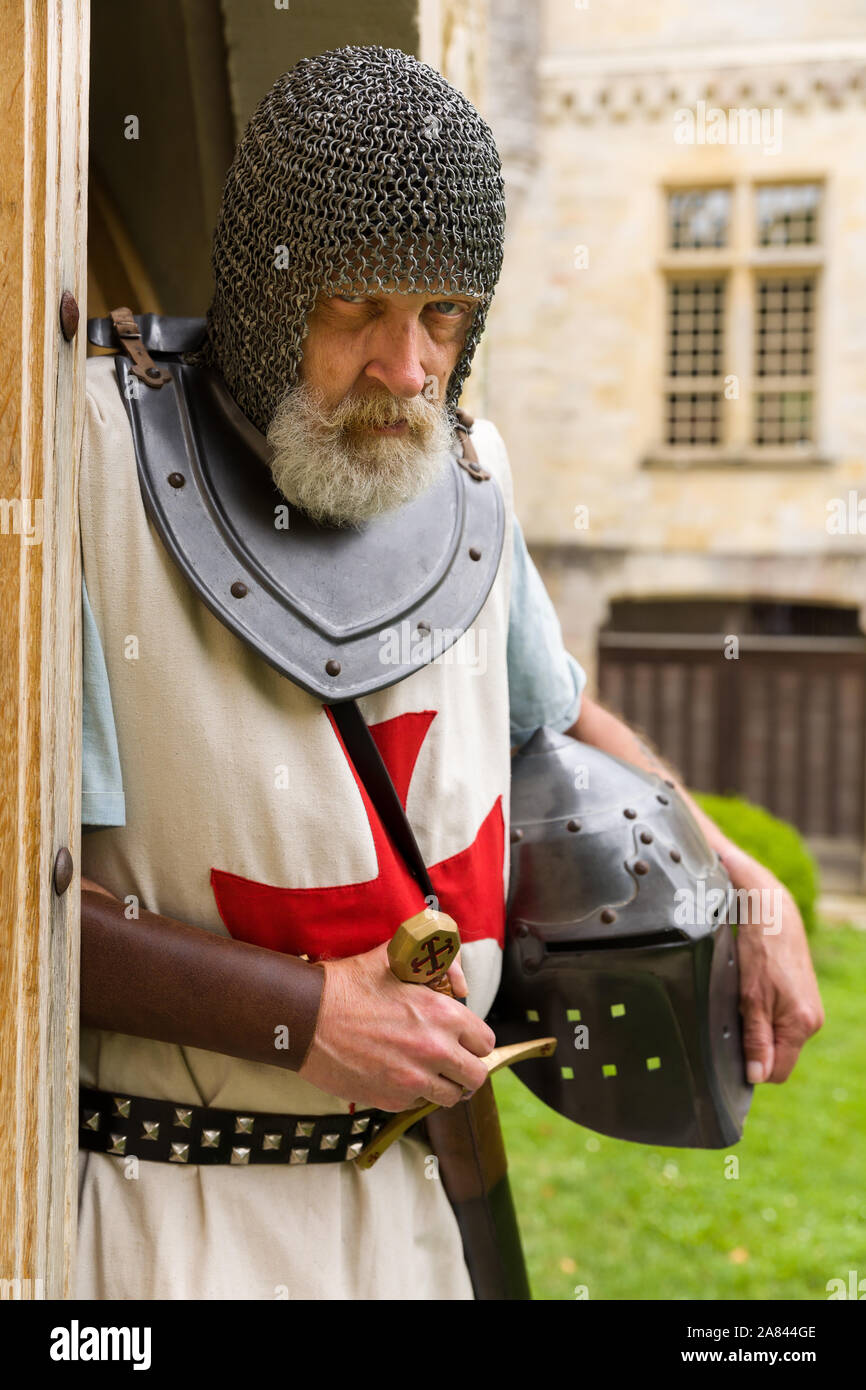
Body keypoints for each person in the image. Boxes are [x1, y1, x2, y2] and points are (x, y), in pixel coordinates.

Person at [77, 45, 823, 1302]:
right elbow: (20, 899)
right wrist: (305, 1015)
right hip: (172, 1221)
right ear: (267, 291)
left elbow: (552, 721)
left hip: (417, 1210)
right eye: (355, 307)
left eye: (441, 316)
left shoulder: (467, 472)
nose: (405, 368)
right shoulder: (89, 466)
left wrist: (742, 877)